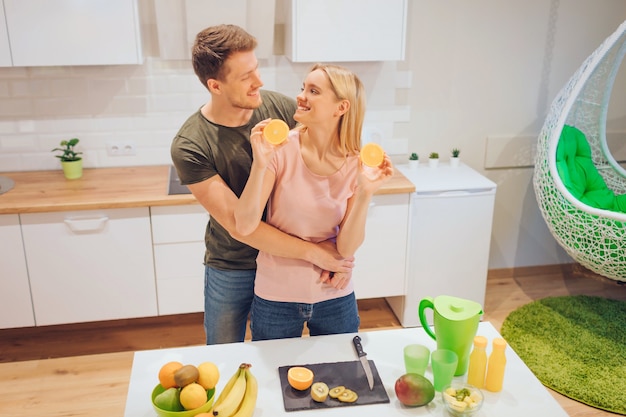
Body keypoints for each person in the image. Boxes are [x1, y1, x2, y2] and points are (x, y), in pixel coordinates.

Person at [170, 25, 354, 345]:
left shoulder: (280, 109)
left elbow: (326, 160)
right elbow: (241, 226)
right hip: (235, 264)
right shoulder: (191, 145)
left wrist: (342, 255)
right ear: (215, 85)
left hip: (289, 263)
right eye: (246, 77)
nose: (259, 81)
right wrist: (321, 255)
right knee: (224, 353)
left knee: (289, 356)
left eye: (256, 69)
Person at [234, 64, 394, 340]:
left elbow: (346, 246)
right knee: (274, 376)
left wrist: (366, 193)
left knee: (342, 376)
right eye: (303, 88)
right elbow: (245, 225)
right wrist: (259, 165)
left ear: (341, 107)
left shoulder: (356, 164)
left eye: (313, 91)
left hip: (335, 295)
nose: (301, 96)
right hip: (276, 297)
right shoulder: (281, 149)